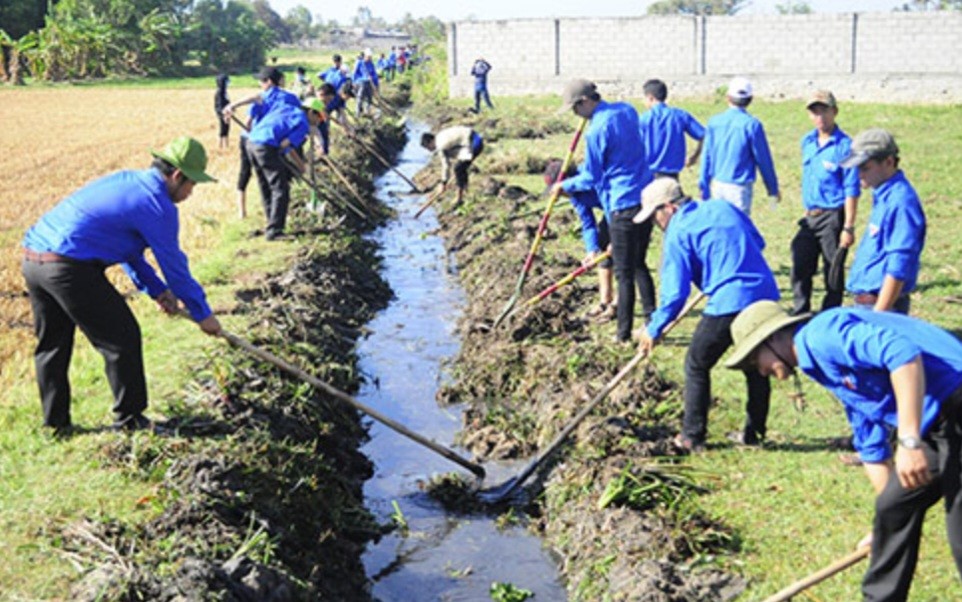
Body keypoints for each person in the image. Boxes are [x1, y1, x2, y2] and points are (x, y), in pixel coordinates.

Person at [726, 301, 962, 601]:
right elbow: (870, 441)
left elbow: (902, 355)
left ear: (772, 338)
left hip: (954, 400)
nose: (758, 371)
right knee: (893, 506)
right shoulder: (819, 364)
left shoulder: (822, 337)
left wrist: (909, 441)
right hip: (937, 420)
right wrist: (886, 526)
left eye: (752, 360)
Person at [21, 137, 222, 433]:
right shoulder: (157, 204)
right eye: (192, 184)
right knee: (122, 338)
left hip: (33, 260)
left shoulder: (128, 181)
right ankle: (131, 420)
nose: (191, 192)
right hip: (68, 266)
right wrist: (202, 313)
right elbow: (175, 266)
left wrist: (157, 291)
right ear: (177, 176)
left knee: (52, 343)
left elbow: (128, 251)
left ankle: (55, 424)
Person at [636, 178, 779, 451]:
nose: (656, 224)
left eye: (655, 216)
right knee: (756, 364)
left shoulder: (677, 231)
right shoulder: (723, 207)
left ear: (669, 208)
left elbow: (675, 294)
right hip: (763, 292)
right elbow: (757, 242)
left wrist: (653, 328)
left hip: (731, 299)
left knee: (696, 363)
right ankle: (754, 434)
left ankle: (692, 436)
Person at [551, 79, 655, 343]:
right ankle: (653, 321)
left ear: (585, 102)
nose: (576, 116)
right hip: (647, 196)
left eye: (575, 109)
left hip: (622, 203)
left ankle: (622, 336)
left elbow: (591, 178)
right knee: (639, 264)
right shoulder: (627, 110)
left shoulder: (596, 130)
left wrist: (562, 186)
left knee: (624, 273)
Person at [790, 90, 861, 315]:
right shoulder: (807, 141)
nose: (819, 116)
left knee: (833, 268)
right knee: (800, 264)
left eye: (824, 111)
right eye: (814, 111)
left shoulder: (845, 146)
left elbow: (851, 188)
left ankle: (830, 314)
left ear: (835, 112)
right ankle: (801, 311)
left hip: (833, 215)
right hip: (810, 215)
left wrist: (848, 226)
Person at [841, 128, 925, 315]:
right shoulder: (883, 195)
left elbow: (899, 264)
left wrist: (879, 314)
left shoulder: (901, 202)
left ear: (888, 162)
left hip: (882, 306)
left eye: (865, 168)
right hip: (869, 303)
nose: (859, 175)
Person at [544, 158, 615, 321]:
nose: (559, 195)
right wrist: (592, 250)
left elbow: (613, 205)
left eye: (559, 190)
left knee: (624, 259)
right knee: (602, 247)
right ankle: (605, 301)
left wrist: (618, 238)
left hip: (626, 205)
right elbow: (588, 223)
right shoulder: (574, 195)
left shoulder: (592, 178)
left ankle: (618, 305)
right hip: (611, 212)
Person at [699, 76, 780, 216]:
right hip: (739, 188)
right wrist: (772, 189)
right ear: (750, 99)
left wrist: (704, 185)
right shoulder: (752, 125)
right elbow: (764, 160)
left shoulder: (714, 122)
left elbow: (706, 156)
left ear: (728, 97)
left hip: (717, 184)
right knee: (739, 227)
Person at [246, 101, 309, 240]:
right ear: (311, 113)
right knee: (280, 188)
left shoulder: (286, 108)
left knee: (265, 186)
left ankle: (271, 222)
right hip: (266, 146)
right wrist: (300, 166)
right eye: (319, 118)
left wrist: (300, 166)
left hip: (251, 143)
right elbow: (285, 145)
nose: (318, 122)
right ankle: (275, 231)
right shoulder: (303, 122)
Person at [637, 78, 704, 179]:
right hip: (672, 176)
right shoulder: (680, 116)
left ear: (650, 98)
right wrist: (694, 157)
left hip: (649, 175)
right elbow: (705, 135)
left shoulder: (643, 119)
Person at [420, 125, 485, 207]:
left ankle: (459, 198)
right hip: (473, 139)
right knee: (460, 168)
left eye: (428, 147)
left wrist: (444, 183)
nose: (429, 150)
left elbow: (446, 165)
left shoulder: (441, 145)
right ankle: (465, 190)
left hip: (475, 143)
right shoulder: (440, 136)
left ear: (431, 142)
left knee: (458, 169)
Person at [214, 73, 230, 150]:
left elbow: (227, 101)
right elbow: (219, 105)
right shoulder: (219, 92)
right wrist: (223, 113)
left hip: (227, 112)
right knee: (222, 128)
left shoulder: (224, 92)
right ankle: (220, 145)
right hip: (222, 113)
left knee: (227, 127)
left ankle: (226, 144)